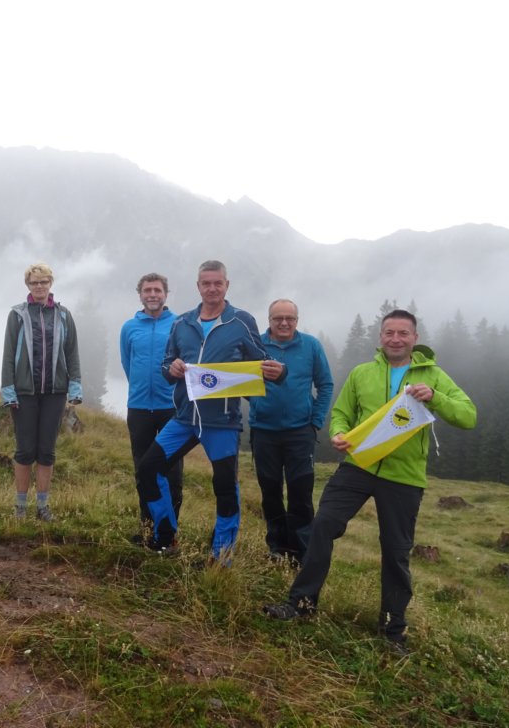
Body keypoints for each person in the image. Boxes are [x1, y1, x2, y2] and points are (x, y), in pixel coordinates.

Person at [263, 309, 476, 654]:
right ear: (380, 337)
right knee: (323, 525)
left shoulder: (433, 376)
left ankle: (393, 631)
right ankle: (301, 604)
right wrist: (338, 433)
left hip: (404, 477)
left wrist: (435, 397)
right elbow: (341, 413)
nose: (395, 339)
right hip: (357, 467)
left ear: (415, 338)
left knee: (396, 551)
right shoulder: (362, 373)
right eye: (389, 333)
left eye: (403, 333)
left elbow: (468, 416)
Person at [135, 260, 286, 561]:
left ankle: (221, 557)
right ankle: (165, 537)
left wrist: (280, 371)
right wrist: (172, 368)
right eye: (206, 283)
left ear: (226, 285)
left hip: (222, 421)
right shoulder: (182, 323)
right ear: (198, 286)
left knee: (225, 486)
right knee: (148, 469)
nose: (212, 288)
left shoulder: (241, 321)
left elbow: (263, 361)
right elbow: (166, 364)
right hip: (184, 418)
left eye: (218, 283)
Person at [248, 299, 334, 565]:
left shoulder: (311, 346)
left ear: (297, 320)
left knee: (301, 493)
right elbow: (243, 383)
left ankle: (302, 552)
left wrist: (315, 421)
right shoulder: (254, 345)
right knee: (270, 492)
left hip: (300, 433)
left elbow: (325, 384)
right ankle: (277, 548)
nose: (284, 323)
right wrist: (259, 404)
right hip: (263, 432)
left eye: (290, 318)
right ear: (269, 320)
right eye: (278, 318)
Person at [1, 262, 82, 522]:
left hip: (55, 393)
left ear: (50, 283)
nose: (39, 286)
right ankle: (20, 507)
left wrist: (75, 385)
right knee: (25, 450)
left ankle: (43, 507)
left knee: (47, 451)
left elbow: (72, 352)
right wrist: (8, 390)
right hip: (24, 392)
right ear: (28, 285)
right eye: (34, 282)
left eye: (43, 281)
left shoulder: (63, 315)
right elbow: (8, 354)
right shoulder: (17, 315)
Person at [120, 272, 183, 542]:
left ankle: (169, 531)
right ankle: (147, 528)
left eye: (157, 290)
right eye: (147, 290)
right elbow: (127, 363)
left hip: (171, 408)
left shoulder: (179, 324)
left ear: (165, 294)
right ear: (140, 294)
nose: (153, 295)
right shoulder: (129, 327)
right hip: (139, 408)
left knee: (172, 472)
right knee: (143, 470)